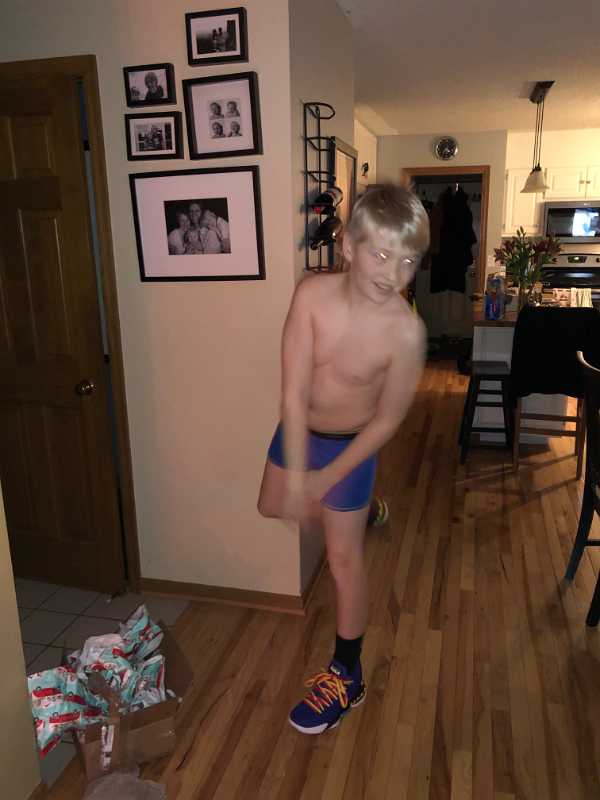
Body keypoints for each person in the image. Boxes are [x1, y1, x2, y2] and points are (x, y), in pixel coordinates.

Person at [257, 182, 429, 735]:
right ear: (349, 247)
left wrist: (327, 477)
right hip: (299, 428)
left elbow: (387, 422)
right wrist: (300, 476)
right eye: (381, 255)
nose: (393, 273)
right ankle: (365, 510)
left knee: (342, 558)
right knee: (271, 505)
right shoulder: (311, 295)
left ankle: (347, 674)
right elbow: (291, 393)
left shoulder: (407, 334)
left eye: (408, 261)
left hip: (352, 446)